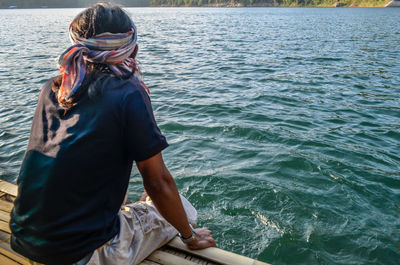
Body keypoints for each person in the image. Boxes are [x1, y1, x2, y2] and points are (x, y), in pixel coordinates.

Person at [9, 2, 216, 265]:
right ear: (134, 48)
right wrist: (190, 236)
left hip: (25, 237)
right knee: (183, 208)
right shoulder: (128, 92)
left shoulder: (55, 87)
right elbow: (158, 181)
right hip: (81, 255)